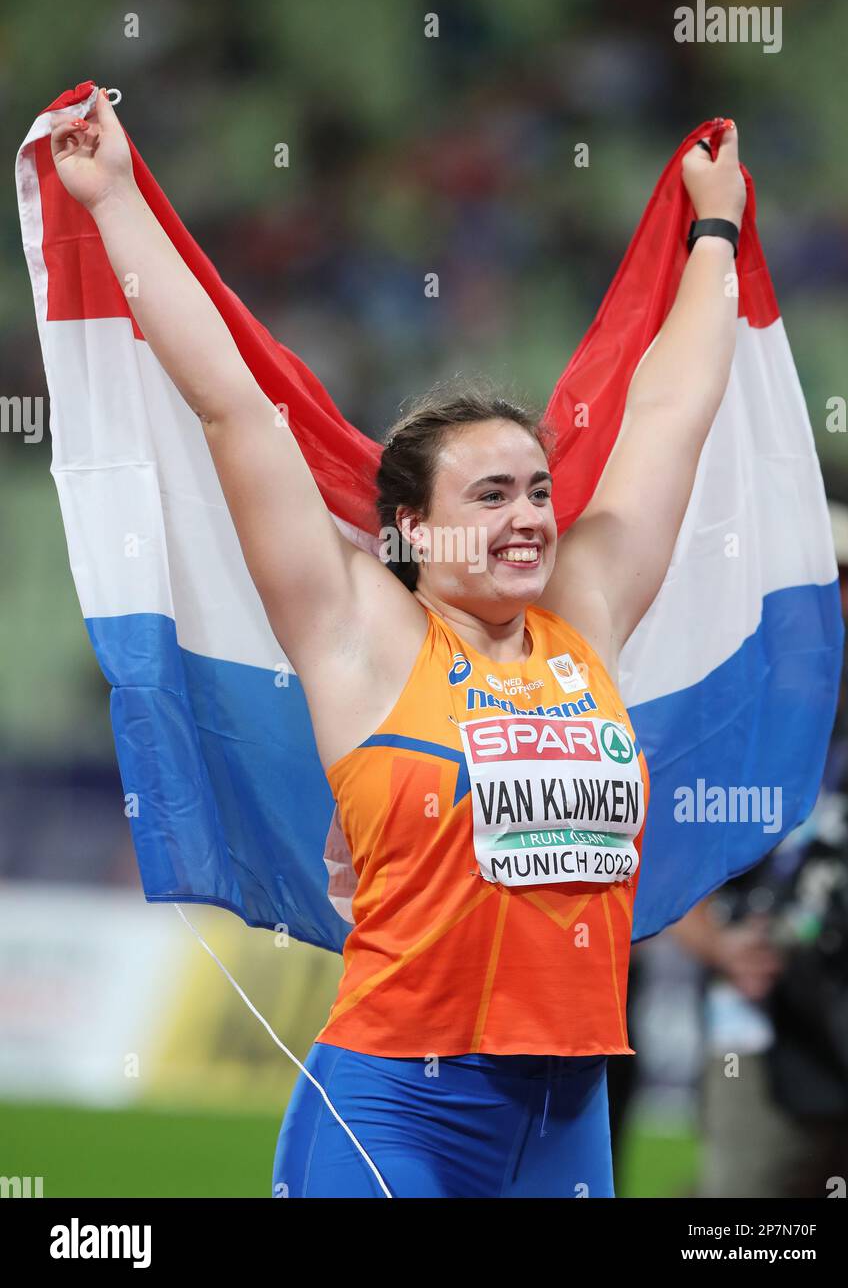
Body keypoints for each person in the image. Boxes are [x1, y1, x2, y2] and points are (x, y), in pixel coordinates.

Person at [51, 89, 746, 1198]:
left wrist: (713, 229)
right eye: (490, 495)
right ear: (412, 527)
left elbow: (673, 411)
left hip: (568, 1121)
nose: (527, 516)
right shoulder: (361, 628)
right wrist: (118, 199)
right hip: (395, 1112)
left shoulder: (586, 615)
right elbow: (236, 408)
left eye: (536, 489)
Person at [673, 501, 848, 1197]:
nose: (831, 603)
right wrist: (721, 949)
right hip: (753, 1024)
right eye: (811, 584)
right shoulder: (728, 711)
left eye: (845, 580)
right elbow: (658, 857)